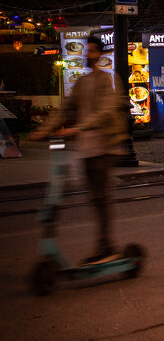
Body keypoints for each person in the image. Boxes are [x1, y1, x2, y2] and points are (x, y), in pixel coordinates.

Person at [31, 35, 128, 263]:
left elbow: (105, 111)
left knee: (102, 198)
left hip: (105, 148)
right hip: (86, 150)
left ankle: (107, 247)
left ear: (101, 55)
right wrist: (43, 130)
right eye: (87, 50)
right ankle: (104, 245)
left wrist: (78, 128)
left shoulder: (109, 80)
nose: (89, 55)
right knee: (95, 199)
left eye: (94, 51)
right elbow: (65, 110)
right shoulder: (82, 83)